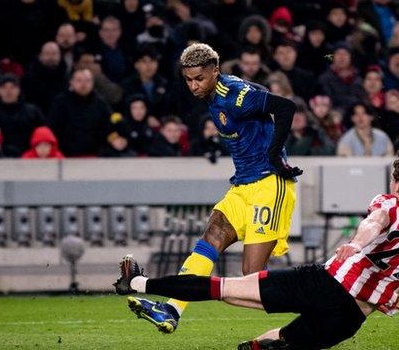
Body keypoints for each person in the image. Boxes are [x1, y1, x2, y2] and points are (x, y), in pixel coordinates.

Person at [115, 135, 399, 350]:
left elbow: (373, 224)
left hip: (324, 285)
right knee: (274, 344)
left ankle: (138, 284)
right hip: (350, 320)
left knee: (223, 289)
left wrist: (356, 247)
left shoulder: (389, 203)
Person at [125, 43, 302, 334]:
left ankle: (319, 298)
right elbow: (257, 92)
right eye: (188, 80)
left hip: (269, 185)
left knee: (252, 277)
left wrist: (274, 154)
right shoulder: (217, 94)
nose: (194, 86)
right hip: (242, 185)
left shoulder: (233, 95)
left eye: (199, 78)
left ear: (215, 72)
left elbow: (285, 107)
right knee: (212, 234)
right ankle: (172, 308)